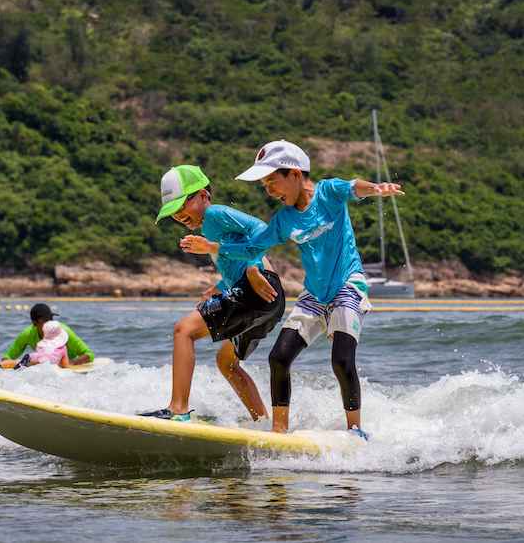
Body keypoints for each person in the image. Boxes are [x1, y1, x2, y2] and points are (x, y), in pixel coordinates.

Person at [180, 140, 404, 439]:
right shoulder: (284, 220)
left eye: (273, 181)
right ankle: (279, 432)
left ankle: (355, 431)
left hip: (348, 286)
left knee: (340, 359)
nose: (270, 190)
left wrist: (376, 188)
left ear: (296, 174)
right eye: (265, 184)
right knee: (279, 357)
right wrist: (214, 247)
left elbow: (353, 187)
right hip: (313, 295)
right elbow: (251, 246)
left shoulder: (327, 193)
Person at [139, 165, 286, 423]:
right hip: (270, 300)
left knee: (183, 330)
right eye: (173, 212)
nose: (179, 215)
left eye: (182, 205)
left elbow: (263, 230)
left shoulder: (215, 215)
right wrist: (219, 287)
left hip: (256, 287)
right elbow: (235, 259)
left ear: (204, 196)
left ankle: (178, 409)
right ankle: (262, 423)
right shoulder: (210, 229)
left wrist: (252, 266)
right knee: (226, 363)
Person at [0, 303, 94, 369]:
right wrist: (4, 366)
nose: (49, 323)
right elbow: (8, 356)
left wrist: (71, 364)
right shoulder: (28, 334)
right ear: (34, 323)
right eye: (45, 321)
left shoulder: (63, 332)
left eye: (50, 319)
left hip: (67, 368)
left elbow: (89, 354)